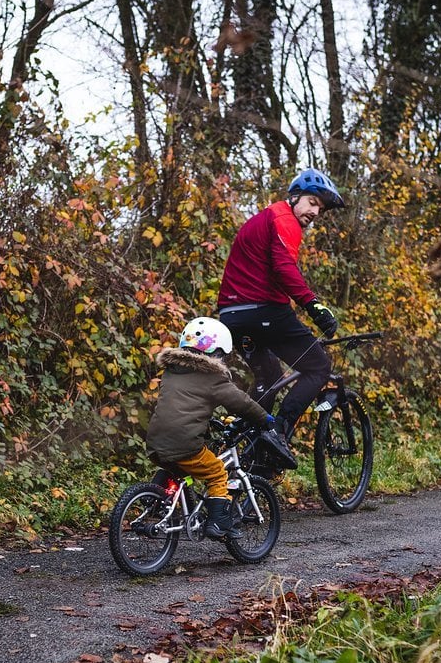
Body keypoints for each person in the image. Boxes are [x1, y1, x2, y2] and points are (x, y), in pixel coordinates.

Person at [217, 168, 344, 440]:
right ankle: (279, 434)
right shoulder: (285, 219)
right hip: (263, 309)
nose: (315, 212)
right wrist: (314, 306)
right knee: (318, 366)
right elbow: (284, 268)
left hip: (232, 316)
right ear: (295, 196)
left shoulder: (266, 217)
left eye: (320, 208)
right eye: (312, 202)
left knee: (269, 378)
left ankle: (253, 452)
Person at [146, 317, 271, 540]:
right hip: (185, 443)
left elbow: (184, 406)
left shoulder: (172, 371)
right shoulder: (212, 377)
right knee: (216, 473)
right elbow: (240, 402)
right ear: (217, 352)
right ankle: (218, 523)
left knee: (176, 466)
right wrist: (264, 418)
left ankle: (154, 499)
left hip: (155, 440)